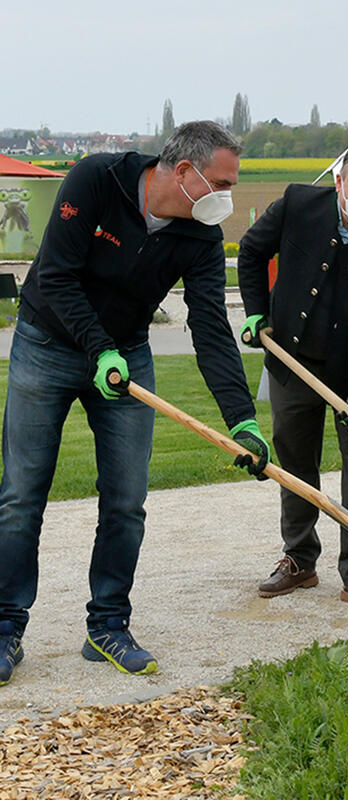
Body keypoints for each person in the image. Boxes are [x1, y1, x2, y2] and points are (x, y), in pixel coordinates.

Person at [0, 121, 271, 684]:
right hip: (46, 344)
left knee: (126, 501)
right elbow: (54, 278)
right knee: (22, 496)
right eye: (221, 181)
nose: (227, 194)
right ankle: (5, 629)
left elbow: (211, 328)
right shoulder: (98, 179)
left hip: (126, 356)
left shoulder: (198, 232)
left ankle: (108, 626)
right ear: (183, 171)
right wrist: (97, 350)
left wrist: (243, 420)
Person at [238, 140, 348, 613]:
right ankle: (299, 559)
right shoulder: (298, 204)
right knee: (296, 460)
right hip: (291, 360)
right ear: (339, 181)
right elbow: (252, 253)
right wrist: (257, 312)